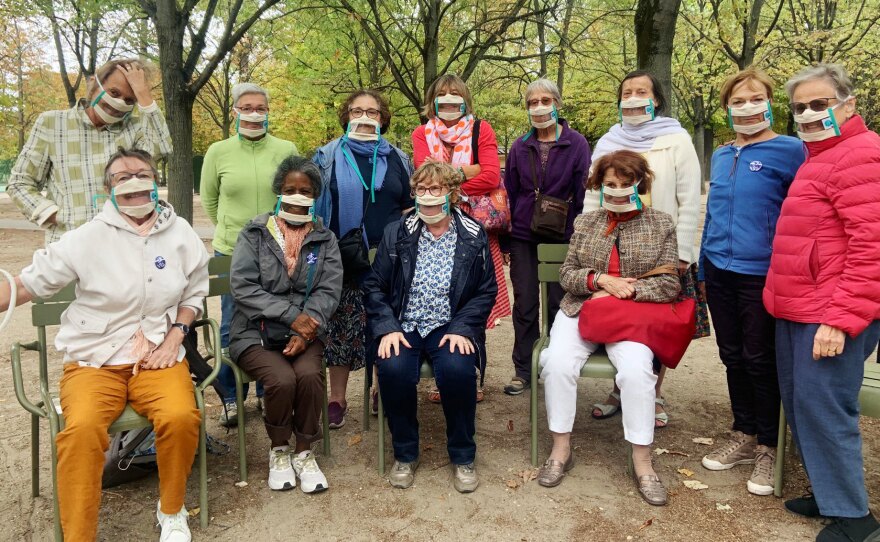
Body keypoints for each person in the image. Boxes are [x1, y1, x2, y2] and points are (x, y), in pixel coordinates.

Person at [0, 148, 208, 542]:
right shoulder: (87, 237)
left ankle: (171, 510)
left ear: (155, 180)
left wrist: (176, 336)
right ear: (108, 188)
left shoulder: (180, 232)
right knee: (81, 431)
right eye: (122, 177)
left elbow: (194, 293)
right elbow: (27, 285)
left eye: (142, 173)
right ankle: (79, 535)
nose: (134, 182)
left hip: (158, 355)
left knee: (181, 417)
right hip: (94, 360)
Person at [764, 64, 880, 542]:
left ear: (848, 105)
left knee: (825, 408)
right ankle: (829, 492)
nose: (809, 113)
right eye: (800, 107)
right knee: (803, 404)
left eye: (820, 103)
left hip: (829, 313)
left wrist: (841, 320)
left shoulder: (861, 155)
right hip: (798, 306)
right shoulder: (819, 156)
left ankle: (855, 520)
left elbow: (872, 245)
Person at [537, 150, 679, 506]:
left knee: (636, 371)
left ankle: (643, 462)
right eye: (609, 184)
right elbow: (567, 274)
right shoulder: (586, 222)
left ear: (640, 184)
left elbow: (669, 284)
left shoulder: (661, 223)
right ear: (599, 186)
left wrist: (625, 291)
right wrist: (598, 281)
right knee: (555, 363)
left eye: (625, 183)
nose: (616, 190)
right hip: (581, 308)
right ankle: (560, 449)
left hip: (632, 315)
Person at [697, 67, 805, 497]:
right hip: (718, 271)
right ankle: (743, 433)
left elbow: (804, 214)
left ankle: (770, 445)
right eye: (737, 101)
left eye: (756, 98)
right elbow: (713, 215)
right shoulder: (723, 155)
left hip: (762, 273)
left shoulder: (792, 150)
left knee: (760, 358)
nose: (747, 107)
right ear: (727, 109)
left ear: (770, 103)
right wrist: (703, 270)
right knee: (732, 356)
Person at [363, 161, 496, 493]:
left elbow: (485, 291)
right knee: (393, 368)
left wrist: (463, 327)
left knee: (457, 369)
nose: (427, 196)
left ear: (452, 193)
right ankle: (405, 453)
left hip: (450, 324)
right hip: (403, 322)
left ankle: (463, 455)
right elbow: (375, 286)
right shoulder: (398, 231)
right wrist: (387, 327)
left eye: (435, 189)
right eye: (420, 189)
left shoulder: (473, 234)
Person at [587, 70, 702, 427]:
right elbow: (592, 195)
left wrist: (682, 253)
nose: (634, 98)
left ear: (656, 100)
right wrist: (589, 243)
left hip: (661, 251)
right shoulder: (608, 142)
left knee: (657, 325)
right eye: (627, 92)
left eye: (642, 92)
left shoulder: (676, 140)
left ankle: (653, 393)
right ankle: (620, 390)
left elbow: (689, 198)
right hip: (614, 249)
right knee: (619, 320)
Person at [229, 156, 342, 493]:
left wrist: (305, 328)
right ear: (278, 191)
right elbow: (244, 287)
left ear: (315, 196)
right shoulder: (254, 233)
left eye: (305, 191)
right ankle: (279, 449)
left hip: (307, 332)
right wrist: (292, 317)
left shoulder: (324, 238)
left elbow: (328, 290)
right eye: (290, 189)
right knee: (281, 380)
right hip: (254, 331)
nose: (297, 196)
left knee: (308, 376)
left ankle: (304, 451)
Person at [313, 89, 414, 428]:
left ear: (383, 119)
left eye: (373, 112)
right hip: (341, 256)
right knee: (341, 325)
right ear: (346, 117)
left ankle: (380, 388)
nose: (365, 117)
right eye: (357, 111)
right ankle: (337, 399)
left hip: (390, 257)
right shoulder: (326, 157)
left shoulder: (399, 158)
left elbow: (408, 206)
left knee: (386, 321)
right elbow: (316, 206)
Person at [201, 83, 299, 427]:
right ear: (235, 111)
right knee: (232, 322)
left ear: (269, 112)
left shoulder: (286, 149)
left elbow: (294, 193)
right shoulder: (218, 152)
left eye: (260, 107)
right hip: (231, 249)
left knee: (273, 320)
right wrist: (237, 234)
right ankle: (231, 397)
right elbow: (210, 200)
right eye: (246, 107)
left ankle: (266, 391)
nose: (253, 113)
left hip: (278, 249)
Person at [412, 74, 510, 403]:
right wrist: (469, 170)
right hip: (435, 220)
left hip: (476, 224)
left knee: (473, 299)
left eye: (455, 92)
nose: (449, 98)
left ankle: (473, 375)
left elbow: (491, 175)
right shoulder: (421, 133)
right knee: (441, 294)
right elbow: (424, 176)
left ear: (465, 99)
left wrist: (446, 180)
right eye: (442, 93)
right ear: (433, 100)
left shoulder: (482, 129)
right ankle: (442, 375)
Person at [7, 58, 172, 245]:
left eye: (129, 100)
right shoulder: (52, 123)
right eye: (114, 92)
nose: (119, 103)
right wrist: (54, 215)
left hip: (122, 246)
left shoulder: (135, 128)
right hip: (69, 247)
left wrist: (143, 94)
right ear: (93, 83)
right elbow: (20, 183)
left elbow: (162, 148)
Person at [502, 78, 591, 396]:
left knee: (559, 303)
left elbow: (582, 193)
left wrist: (577, 237)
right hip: (524, 236)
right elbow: (510, 193)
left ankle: (556, 365)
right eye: (532, 102)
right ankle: (524, 369)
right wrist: (508, 240)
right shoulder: (519, 146)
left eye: (545, 100)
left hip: (563, 234)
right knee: (525, 303)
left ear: (557, 104)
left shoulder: (577, 144)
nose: (539, 107)